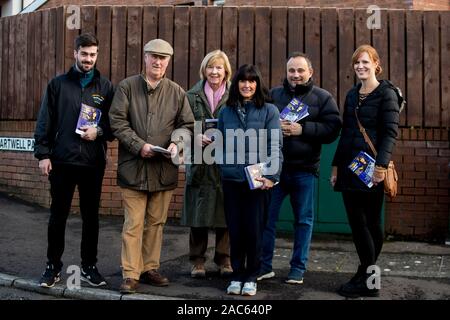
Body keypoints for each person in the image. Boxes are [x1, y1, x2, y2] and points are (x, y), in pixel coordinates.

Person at [109, 39, 194, 294]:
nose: (158, 62)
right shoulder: (127, 87)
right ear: (145, 58)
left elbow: (187, 125)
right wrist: (139, 145)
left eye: (163, 58)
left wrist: (177, 144)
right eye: (153, 57)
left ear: (168, 62)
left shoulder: (177, 92)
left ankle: (149, 268)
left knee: (156, 223)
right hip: (133, 167)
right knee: (133, 223)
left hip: (163, 169)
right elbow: (117, 121)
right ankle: (130, 273)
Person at [34, 33, 114, 288]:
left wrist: (98, 131)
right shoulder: (57, 84)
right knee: (58, 216)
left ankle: (89, 266)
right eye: (84, 54)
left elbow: (114, 124)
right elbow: (45, 121)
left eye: (93, 55)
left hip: (92, 164)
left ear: (96, 55)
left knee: (91, 218)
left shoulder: (106, 87)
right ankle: (52, 266)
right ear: (75, 54)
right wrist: (44, 154)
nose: (88, 59)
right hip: (62, 162)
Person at [258, 52, 341, 284]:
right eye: (291, 71)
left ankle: (298, 269)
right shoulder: (273, 95)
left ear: (310, 72)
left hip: (305, 170)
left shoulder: (323, 98)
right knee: (266, 219)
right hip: (275, 170)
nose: (295, 75)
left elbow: (333, 128)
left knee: (303, 221)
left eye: (300, 70)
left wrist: (302, 130)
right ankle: (264, 266)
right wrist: (275, 128)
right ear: (286, 73)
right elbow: (259, 123)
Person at [331, 45, 399, 298]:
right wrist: (336, 167)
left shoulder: (387, 94)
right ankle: (365, 274)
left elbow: (390, 134)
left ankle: (368, 280)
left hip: (372, 170)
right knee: (358, 223)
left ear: (376, 64)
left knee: (369, 223)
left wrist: (381, 167)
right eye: (357, 63)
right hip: (350, 168)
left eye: (365, 62)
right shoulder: (352, 95)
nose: (360, 66)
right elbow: (347, 133)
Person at [218, 64, 283, 296]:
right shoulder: (225, 112)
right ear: (236, 85)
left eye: (251, 81)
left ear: (258, 84)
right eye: (242, 81)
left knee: (255, 230)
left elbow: (274, 145)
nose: (247, 85)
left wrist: (271, 176)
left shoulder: (269, 111)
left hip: (259, 181)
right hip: (233, 180)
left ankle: (252, 276)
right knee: (235, 229)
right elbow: (221, 144)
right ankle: (237, 275)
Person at [180, 50, 233, 278]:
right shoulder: (190, 96)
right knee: (198, 214)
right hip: (200, 161)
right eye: (210, 67)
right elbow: (181, 124)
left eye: (219, 67)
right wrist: (193, 136)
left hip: (225, 160)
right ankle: (197, 261)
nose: (214, 72)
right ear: (204, 70)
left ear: (226, 71)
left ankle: (224, 259)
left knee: (226, 213)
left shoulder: (234, 95)